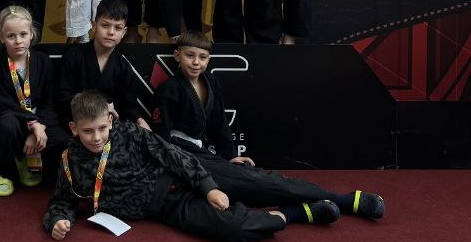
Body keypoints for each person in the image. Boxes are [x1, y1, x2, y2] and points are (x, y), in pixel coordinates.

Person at [43, 90, 348, 242]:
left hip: (187, 173)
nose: (96, 137)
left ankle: (344, 200)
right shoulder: (70, 161)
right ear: (73, 128)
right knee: (235, 229)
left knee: (262, 184)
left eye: (101, 128)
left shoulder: (130, 133)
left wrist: (209, 187)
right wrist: (57, 220)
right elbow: (61, 202)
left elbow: (173, 155)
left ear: (110, 120)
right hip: (169, 205)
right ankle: (298, 213)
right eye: (87, 131)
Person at [152, 31, 385, 222]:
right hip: (183, 157)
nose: (196, 62)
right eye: (190, 55)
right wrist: (177, 169)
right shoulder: (169, 90)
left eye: (202, 57)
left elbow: (220, 123)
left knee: (255, 177)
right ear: (177, 56)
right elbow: (161, 138)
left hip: (203, 155)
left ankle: (322, 203)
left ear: (209, 59)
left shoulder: (210, 81)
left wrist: (229, 156)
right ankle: (341, 200)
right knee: (251, 183)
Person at [0, 6, 68, 196]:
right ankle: (5, 173)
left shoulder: (43, 61)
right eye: (11, 36)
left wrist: (40, 126)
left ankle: (30, 164)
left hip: (40, 120)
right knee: (6, 126)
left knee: (63, 140)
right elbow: (3, 104)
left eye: (23, 34)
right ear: (2, 38)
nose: (18, 41)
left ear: (32, 34)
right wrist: (32, 124)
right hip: (12, 118)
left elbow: (50, 100)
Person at [57, 0, 151, 129]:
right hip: (77, 125)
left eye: (118, 28)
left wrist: (139, 119)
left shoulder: (123, 66)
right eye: (105, 25)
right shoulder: (74, 56)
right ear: (94, 26)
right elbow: (62, 98)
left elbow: (128, 106)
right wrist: (97, 107)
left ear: (124, 32)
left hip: (110, 127)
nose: (111, 32)